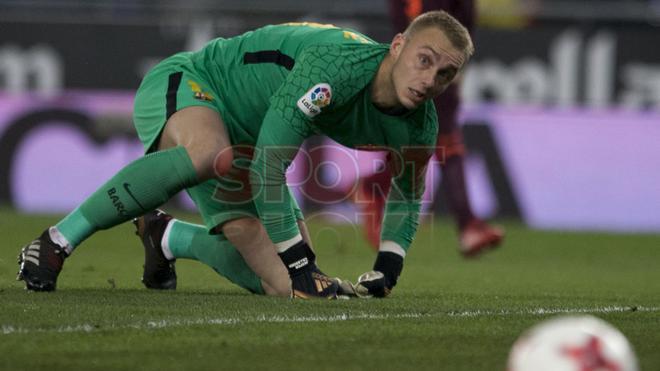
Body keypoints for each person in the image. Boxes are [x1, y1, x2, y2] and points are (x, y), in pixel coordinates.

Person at [17, 11, 474, 298]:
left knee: (287, 289)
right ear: (398, 47)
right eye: (424, 59)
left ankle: (167, 237)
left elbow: (408, 193)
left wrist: (386, 268)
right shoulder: (334, 69)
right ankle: (55, 242)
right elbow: (270, 164)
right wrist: (303, 264)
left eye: (446, 74)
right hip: (197, 83)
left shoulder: (420, 121)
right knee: (210, 155)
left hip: (250, 139)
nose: (430, 79)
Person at [354, 0, 504, 256]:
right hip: (428, 60)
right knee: (442, 138)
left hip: (431, 58)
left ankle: (375, 185)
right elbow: (428, 19)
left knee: (426, 139)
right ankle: (467, 225)